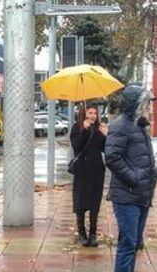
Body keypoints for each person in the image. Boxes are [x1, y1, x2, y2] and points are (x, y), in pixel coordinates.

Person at [105, 85, 157, 272]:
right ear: (135, 105)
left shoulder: (139, 126)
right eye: (145, 104)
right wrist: (133, 178)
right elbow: (112, 157)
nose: (149, 109)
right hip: (127, 197)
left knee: (133, 245)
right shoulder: (121, 125)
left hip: (141, 196)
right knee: (127, 245)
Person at [69, 105, 107, 247]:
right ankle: (82, 233)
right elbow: (76, 146)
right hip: (82, 171)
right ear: (84, 113)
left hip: (97, 171)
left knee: (94, 203)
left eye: (95, 113)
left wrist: (106, 136)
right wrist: (84, 130)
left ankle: (93, 233)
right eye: (90, 112)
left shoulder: (98, 129)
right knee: (81, 202)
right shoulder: (77, 127)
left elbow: (104, 149)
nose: (92, 115)